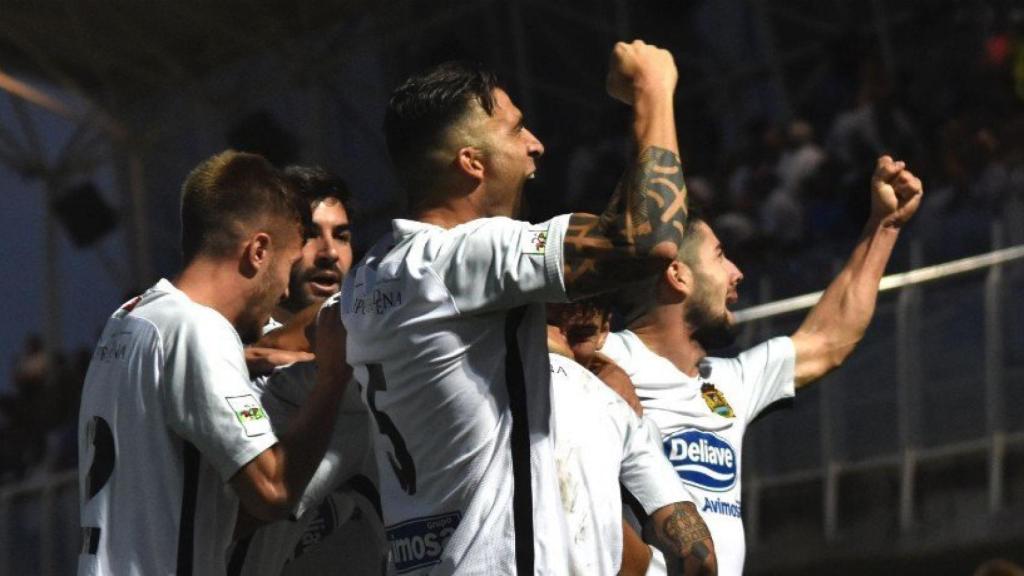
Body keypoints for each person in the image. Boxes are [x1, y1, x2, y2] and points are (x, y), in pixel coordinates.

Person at [337, 41, 715, 575]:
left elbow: (317, 331)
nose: (536, 146)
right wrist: (653, 91)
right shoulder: (466, 255)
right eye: (516, 130)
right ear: (471, 162)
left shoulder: (370, 275)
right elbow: (646, 240)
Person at [601, 156, 924, 576]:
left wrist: (885, 225)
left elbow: (828, 340)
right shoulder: (605, 360)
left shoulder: (728, 382)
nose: (737, 273)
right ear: (678, 275)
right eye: (719, 257)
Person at [76, 151, 351, 575]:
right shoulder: (199, 330)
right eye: (286, 264)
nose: (282, 291)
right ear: (258, 250)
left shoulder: (129, 318)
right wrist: (332, 377)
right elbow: (273, 489)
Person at [230, 165, 388, 575]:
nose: (330, 252)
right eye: (311, 234)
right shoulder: (217, 355)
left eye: (342, 235)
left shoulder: (369, 363)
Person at [546, 319, 713, 575]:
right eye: (552, 325)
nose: (565, 348)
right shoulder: (617, 402)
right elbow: (701, 558)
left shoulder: (619, 405)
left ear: (603, 334)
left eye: (580, 335)